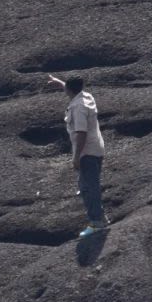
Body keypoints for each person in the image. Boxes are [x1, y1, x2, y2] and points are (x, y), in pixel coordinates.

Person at [48, 74, 109, 236]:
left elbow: (81, 133)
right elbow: (73, 90)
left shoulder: (77, 107)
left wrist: (76, 157)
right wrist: (59, 83)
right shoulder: (86, 96)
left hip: (87, 152)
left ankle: (97, 223)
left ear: (69, 88)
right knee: (90, 185)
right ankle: (101, 218)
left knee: (88, 188)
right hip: (96, 148)